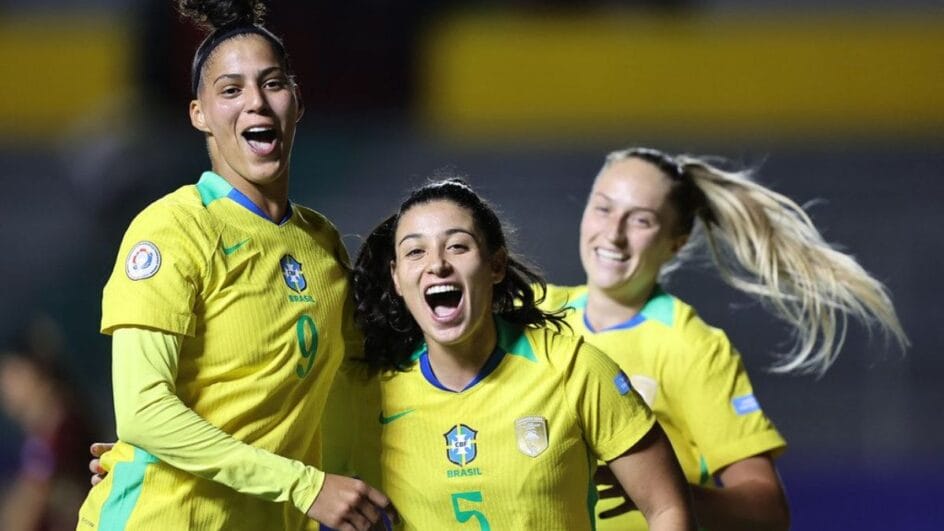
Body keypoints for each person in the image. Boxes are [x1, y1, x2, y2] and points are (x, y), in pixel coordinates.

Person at [76, 1, 391, 530]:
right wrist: (305, 486)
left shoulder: (322, 243)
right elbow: (144, 412)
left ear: (297, 101)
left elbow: (351, 388)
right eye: (231, 89)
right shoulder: (174, 229)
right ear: (198, 113)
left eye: (272, 83)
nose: (256, 104)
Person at [540, 147, 910, 530]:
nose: (614, 233)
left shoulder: (692, 347)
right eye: (603, 208)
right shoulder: (534, 313)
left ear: (676, 242)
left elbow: (768, 511)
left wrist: (658, 490)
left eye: (641, 220)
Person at [329, 178, 696, 530]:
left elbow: (667, 507)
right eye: (415, 251)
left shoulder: (573, 369)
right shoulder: (370, 392)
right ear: (397, 278)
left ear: (496, 265)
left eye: (457, 246)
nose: (436, 264)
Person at [1, 336, 95, 531]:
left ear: (38, 371)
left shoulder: (61, 429)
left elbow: (26, 513)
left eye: (13, 375)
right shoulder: (44, 433)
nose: (6, 389)